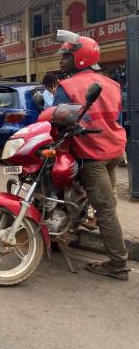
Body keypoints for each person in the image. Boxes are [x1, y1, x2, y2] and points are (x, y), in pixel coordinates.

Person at [53, 33, 129, 280]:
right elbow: (115, 118)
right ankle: (65, 234)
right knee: (104, 202)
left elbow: (53, 121)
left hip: (92, 154)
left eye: (67, 56)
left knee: (104, 208)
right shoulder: (113, 84)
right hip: (115, 151)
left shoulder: (67, 87)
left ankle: (118, 265)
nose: (62, 61)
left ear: (81, 58)